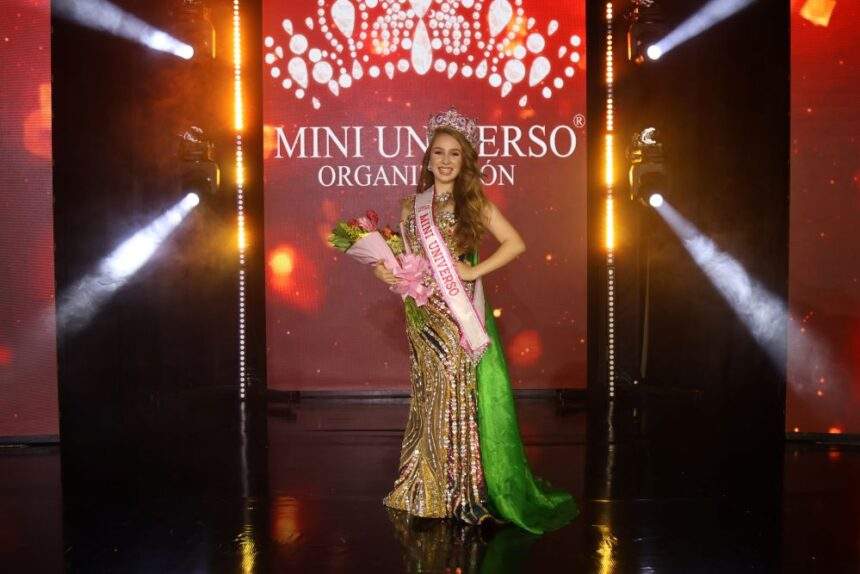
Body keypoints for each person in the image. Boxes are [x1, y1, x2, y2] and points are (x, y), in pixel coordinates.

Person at [374, 108, 578, 534]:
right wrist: (385, 269)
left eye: (455, 154)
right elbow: (403, 258)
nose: (446, 161)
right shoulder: (411, 205)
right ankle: (426, 487)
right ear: (428, 159)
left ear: (464, 161)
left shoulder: (474, 203)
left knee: (457, 391)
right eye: (439, 153)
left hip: (457, 312)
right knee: (431, 392)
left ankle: (464, 492)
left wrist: (471, 271)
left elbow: (515, 243)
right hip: (420, 312)